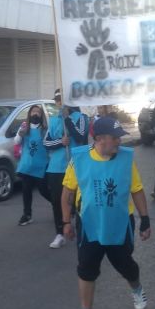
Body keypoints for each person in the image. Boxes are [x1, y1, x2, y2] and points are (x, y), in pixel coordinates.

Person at [62, 117, 151, 309]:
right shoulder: (79, 159)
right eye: (116, 138)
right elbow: (67, 193)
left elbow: (136, 189)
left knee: (125, 264)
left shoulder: (126, 159)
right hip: (90, 224)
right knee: (86, 268)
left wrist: (145, 219)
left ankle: (136, 288)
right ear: (100, 139)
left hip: (119, 223)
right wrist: (66, 222)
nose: (120, 142)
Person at [44, 90, 89, 249]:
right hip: (56, 167)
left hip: (76, 165)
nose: (59, 102)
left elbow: (80, 136)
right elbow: (46, 143)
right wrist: (60, 142)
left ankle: (80, 229)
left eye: (61, 99)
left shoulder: (82, 118)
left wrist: (68, 119)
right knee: (57, 200)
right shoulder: (53, 120)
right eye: (57, 100)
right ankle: (60, 233)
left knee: (79, 201)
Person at [14, 104, 51, 226]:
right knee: (26, 190)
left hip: (41, 166)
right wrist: (20, 134)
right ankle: (27, 214)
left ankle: (60, 206)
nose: (35, 114)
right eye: (33, 112)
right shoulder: (25, 126)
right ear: (29, 114)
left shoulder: (45, 129)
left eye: (38, 112)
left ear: (41, 115)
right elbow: (16, 142)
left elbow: (49, 145)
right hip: (27, 166)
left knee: (44, 191)